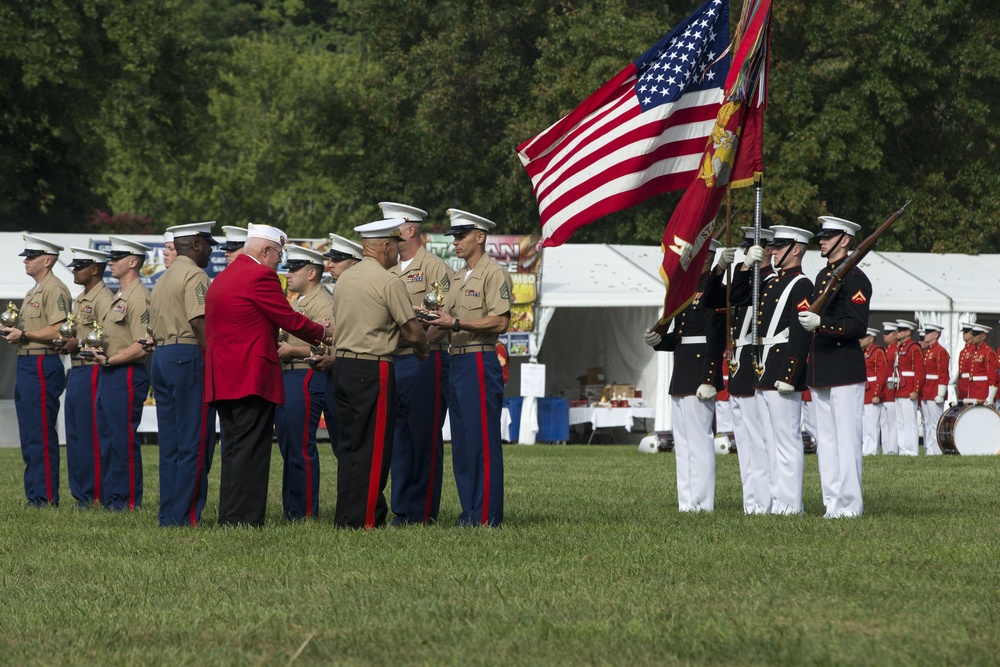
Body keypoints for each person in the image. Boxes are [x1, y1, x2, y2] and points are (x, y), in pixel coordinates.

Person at [205, 224, 329, 527]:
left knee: (234, 449)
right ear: (265, 251)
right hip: (250, 374)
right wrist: (323, 332)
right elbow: (286, 318)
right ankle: (246, 519)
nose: (280, 262)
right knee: (252, 450)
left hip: (223, 376)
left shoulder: (222, 278)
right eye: (278, 254)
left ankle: (231, 516)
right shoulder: (261, 276)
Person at [331, 217, 429, 529]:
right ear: (385, 247)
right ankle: (367, 520)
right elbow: (412, 332)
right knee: (375, 449)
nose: (398, 253)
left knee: (349, 447)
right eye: (396, 247)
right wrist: (423, 349)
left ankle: (346, 516)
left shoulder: (345, 278)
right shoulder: (389, 282)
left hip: (343, 365)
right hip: (373, 366)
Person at [427, 209, 513, 527]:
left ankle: (487, 515)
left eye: (461, 236)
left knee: (481, 443)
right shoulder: (458, 276)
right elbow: (440, 320)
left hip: (479, 356)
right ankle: (470, 512)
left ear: (480, 236)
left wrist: (458, 322)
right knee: (462, 444)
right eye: (454, 237)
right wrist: (421, 339)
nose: (456, 243)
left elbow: (501, 321)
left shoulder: (493, 273)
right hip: (457, 359)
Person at [383, 201, 452, 526]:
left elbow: (441, 318)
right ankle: (402, 508)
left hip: (425, 360)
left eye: (392, 229)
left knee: (424, 437)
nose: (388, 237)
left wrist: (422, 345)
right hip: (395, 360)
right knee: (399, 438)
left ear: (409, 230)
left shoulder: (434, 268)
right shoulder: (390, 272)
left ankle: (422, 511)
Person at [644, 240, 726, 513]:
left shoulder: (714, 291)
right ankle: (687, 502)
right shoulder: (686, 289)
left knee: (700, 441)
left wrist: (709, 377)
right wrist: (658, 341)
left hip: (700, 372)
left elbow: (715, 338)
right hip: (682, 371)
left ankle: (702, 504)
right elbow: (681, 337)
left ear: (709, 257)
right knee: (683, 443)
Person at [798, 216, 871, 519]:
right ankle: (832, 504)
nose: (822, 242)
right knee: (826, 442)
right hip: (822, 368)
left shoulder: (855, 279)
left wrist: (822, 323)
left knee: (846, 440)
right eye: (821, 237)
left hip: (843, 368)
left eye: (828, 237)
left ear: (845, 239)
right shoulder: (821, 276)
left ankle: (850, 506)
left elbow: (857, 326)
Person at [149, 222, 218, 526]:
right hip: (188, 354)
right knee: (194, 440)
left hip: (162, 355)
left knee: (172, 444)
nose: (212, 251)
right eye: (209, 245)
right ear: (197, 245)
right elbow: (199, 321)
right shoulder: (195, 274)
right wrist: (216, 359)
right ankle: (185, 515)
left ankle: (168, 512)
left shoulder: (163, 278)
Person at [1, 234, 72, 508]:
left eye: (31, 257)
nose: (26, 261)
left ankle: (45, 496)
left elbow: (59, 328)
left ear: (48, 260)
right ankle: (35, 494)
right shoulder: (35, 290)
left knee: (41, 432)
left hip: (42, 361)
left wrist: (25, 333)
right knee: (31, 432)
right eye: (26, 256)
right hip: (28, 361)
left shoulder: (54, 288)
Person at [751, 226, 814, 515]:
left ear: (797, 249)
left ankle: (790, 505)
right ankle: (777, 502)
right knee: (769, 441)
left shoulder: (801, 284)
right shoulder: (773, 282)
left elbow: (801, 332)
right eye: (773, 246)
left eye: (780, 246)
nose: (773, 250)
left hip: (782, 370)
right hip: (765, 367)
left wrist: (790, 374)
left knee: (786, 442)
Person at [274, 245, 334, 520]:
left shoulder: (322, 303)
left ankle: (305, 511)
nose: (289, 273)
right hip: (290, 375)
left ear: (312, 273)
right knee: (289, 446)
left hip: (306, 373)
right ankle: (293, 509)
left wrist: (293, 351)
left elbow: (331, 347)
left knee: (300, 445)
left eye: (294, 268)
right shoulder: (299, 302)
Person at [93, 236, 152, 511]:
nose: (110, 262)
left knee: (122, 438)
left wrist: (112, 359)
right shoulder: (119, 296)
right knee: (106, 437)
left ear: (133, 262)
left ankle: (126, 500)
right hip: (111, 370)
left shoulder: (139, 297)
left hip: (126, 371)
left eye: (116, 258)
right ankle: (110, 497)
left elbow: (143, 345)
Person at [59, 247, 114, 506]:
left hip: (93, 368)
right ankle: (81, 492)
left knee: (90, 433)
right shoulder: (81, 298)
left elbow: (107, 336)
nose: (74, 270)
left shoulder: (104, 298)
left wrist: (78, 343)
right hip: (78, 369)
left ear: (94, 269)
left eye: (79, 266)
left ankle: (94, 493)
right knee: (76, 434)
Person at [727, 227, 774, 515]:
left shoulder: (771, 282)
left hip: (757, 363)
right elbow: (732, 297)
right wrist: (743, 266)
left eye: (753, 248)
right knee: (745, 444)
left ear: (768, 250)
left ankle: (765, 501)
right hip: (739, 365)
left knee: (760, 441)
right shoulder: (747, 279)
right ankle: (752, 502)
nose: (748, 251)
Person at [316, 232, 363, 459]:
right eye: (330, 260)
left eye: (337, 260)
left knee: (355, 444)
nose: (330, 265)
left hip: (355, 373)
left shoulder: (362, 294)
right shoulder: (338, 294)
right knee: (340, 445)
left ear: (354, 264)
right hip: (334, 374)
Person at [891, 319, 925, 456]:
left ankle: (911, 450)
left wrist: (916, 389)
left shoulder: (913, 347)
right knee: (901, 421)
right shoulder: (901, 347)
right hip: (900, 387)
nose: (898, 333)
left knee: (909, 421)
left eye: (901, 330)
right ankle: (903, 449)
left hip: (909, 388)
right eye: (898, 330)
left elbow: (920, 371)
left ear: (908, 332)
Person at [919, 322, 949, 455]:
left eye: (928, 332)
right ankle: (929, 450)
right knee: (926, 422)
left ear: (936, 335)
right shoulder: (928, 351)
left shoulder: (940, 352)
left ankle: (937, 451)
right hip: (926, 390)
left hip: (934, 390)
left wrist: (941, 393)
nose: (925, 335)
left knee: (935, 422)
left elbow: (943, 373)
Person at [861, 328, 889, 456]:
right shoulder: (864, 352)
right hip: (865, 390)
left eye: (864, 337)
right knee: (865, 423)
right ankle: (866, 448)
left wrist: (877, 393)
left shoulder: (877, 351)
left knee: (872, 423)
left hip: (872, 391)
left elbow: (882, 374)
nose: (860, 339)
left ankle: (872, 450)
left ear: (871, 338)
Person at [964, 323, 998, 406]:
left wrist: (990, 396)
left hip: (983, 391)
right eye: (972, 334)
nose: (973, 337)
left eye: (975, 335)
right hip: (973, 390)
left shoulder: (988, 352)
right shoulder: (972, 352)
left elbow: (993, 376)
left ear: (983, 336)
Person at [878, 322, 899, 454]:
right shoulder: (885, 350)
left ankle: (893, 449)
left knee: (893, 422)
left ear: (895, 335)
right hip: (884, 388)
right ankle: (886, 449)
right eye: (884, 333)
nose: (885, 336)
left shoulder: (897, 350)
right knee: (884, 422)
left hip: (892, 387)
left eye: (888, 333)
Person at [955, 321, 975, 403]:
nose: (964, 334)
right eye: (963, 332)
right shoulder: (963, 351)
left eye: (966, 332)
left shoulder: (973, 349)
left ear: (972, 334)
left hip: (969, 382)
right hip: (962, 382)